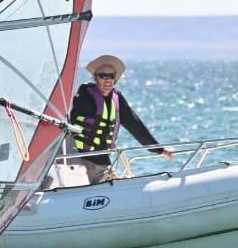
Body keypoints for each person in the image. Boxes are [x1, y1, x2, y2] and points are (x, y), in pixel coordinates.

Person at [65, 54, 173, 183]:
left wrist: (159, 150)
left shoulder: (117, 99)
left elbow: (135, 125)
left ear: (115, 79)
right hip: (79, 161)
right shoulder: (84, 95)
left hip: (102, 162)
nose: (107, 80)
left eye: (111, 76)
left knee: (114, 184)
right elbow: (67, 119)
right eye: (102, 76)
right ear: (95, 78)